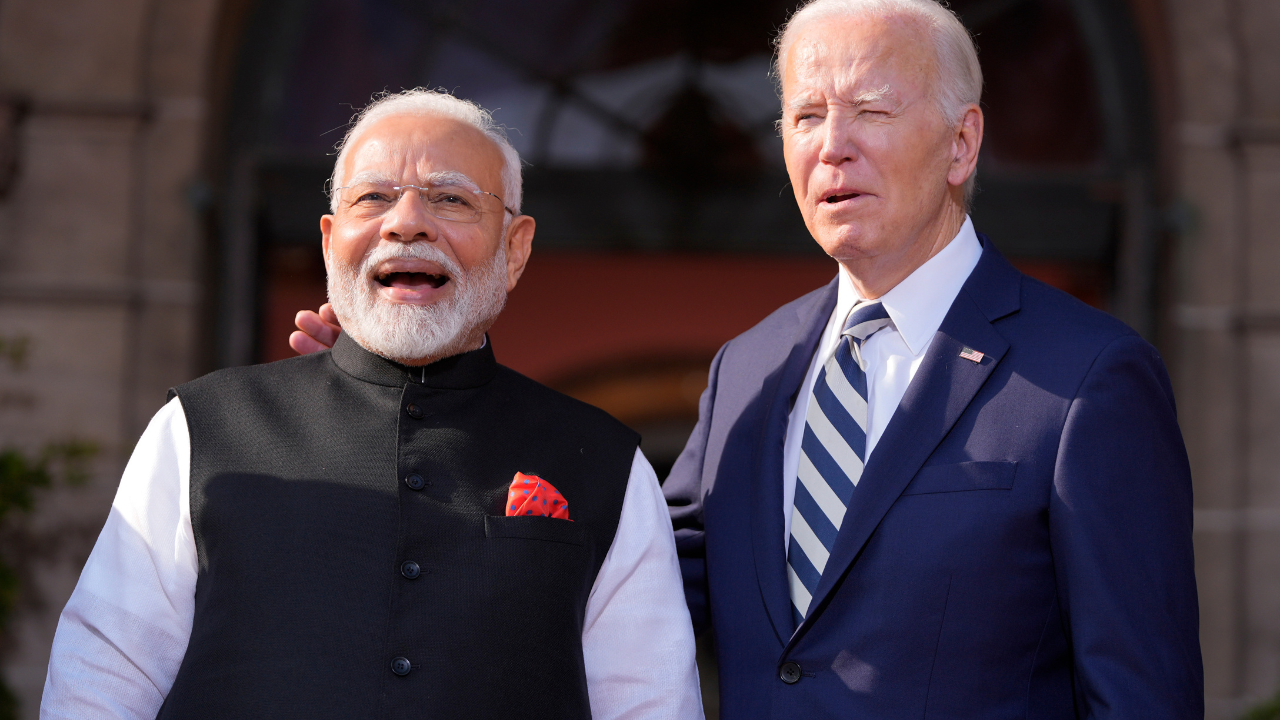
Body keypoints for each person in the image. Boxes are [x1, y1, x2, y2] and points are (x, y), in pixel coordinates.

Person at [291, 1, 1204, 716]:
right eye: (805, 115)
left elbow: (1141, 693)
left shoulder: (1086, 378)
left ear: (963, 142)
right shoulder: (750, 368)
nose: (832, 145)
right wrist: (403, 400)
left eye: (871, 110)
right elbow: (623, 577)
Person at [41, 89, 703, 720]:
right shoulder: (200, 430)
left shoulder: (605, 465)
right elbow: (102, 677)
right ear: (331, 240)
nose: (407, 223)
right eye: (374, 198)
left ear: (515, 249)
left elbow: (651, 702)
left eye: (450, 198)